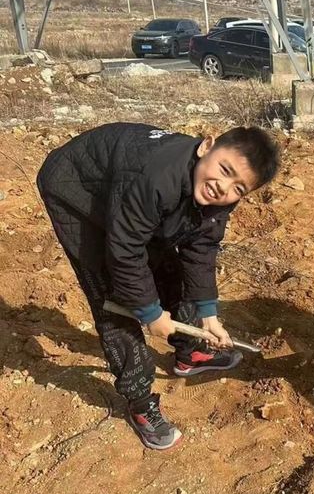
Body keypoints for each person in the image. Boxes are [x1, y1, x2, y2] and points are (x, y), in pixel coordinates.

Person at [37, 122, 280, 451]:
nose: (223, 188)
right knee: (114, 297)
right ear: (206, 146)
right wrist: (151, 314)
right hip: (76, 189)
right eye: (224, 170)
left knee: (166, 264)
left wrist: (208, 315)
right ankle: (139, 402)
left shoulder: (215, 193)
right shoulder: (159, 176)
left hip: (127, 190)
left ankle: (189, 352)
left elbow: (202, 247)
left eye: (238, 188)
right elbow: (124, 251)